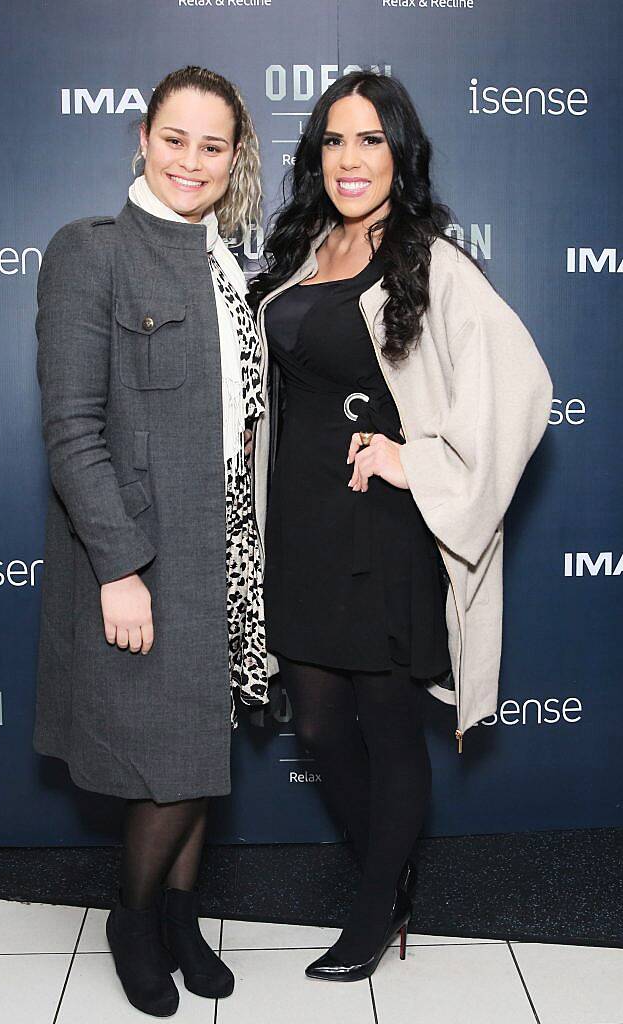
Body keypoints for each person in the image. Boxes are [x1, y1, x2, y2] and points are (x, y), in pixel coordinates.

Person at [248, 71, 552, 982]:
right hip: (298, 527)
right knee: (317, 722)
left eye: (370, 140)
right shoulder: (306, 248)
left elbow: (521, 390)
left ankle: (374, 908)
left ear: (399, 154)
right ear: (316, 156)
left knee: (384, 722)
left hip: (381, 533)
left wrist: (412, 459)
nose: (351, 159)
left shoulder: (431, 262)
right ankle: (391, 868)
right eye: (335, 141)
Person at [32, 66, 267, 1017]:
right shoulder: (91, 252)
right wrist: (119, 566)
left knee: (198, 750)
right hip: (147, 549)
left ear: (233, 157)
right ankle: (130, 921)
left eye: (213, 146)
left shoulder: (225, 260)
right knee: (161, 758)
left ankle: (179, 918)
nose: (191, 161)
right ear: (142, 136)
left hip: (229, 547)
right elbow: (71, 430)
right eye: (175, 139)